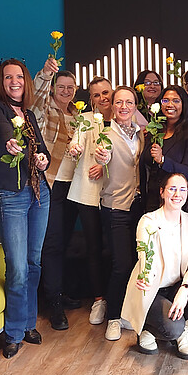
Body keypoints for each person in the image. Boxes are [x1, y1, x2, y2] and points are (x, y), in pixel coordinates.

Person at [0, 59, 50, 359]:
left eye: (19, 76)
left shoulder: (30, 115)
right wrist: (11, 141)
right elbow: (3, 130)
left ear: (26, 81)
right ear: (2, 82)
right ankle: (12, 333)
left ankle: (27, 324)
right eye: (8, 77)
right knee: (18, 266)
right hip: (10, 195)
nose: (14, 82)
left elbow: (42, 150)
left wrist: (43, 160)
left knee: (33, 263)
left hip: (38, 193)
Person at [121, 173, 188, 359]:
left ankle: (183, 330)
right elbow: (146, 257)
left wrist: (184, 289)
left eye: (182, 189)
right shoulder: (148, 221)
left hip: (177, 287)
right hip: (152, 289)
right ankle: (148, 330)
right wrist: (144, 275)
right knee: (172, 328)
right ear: (162, 192)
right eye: (172, 189)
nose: (177, 194)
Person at [31, 57, 81, 330]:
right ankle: (53, 302)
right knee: (51, 244)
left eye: (70, 87)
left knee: (64, 242)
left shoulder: (78, 116)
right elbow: (35, 100)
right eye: (61, 86)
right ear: (53, 88)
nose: (66, 91)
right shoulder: (45, 110)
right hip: (51, 184)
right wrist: (45, 74)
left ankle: (59, 291)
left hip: (73, 186)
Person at [98, 85, 145, 341]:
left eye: (129, 102)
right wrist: (101, 159)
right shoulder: (106, 135)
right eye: (119, 102)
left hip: (139, 207)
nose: (124, 107)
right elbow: (101, 156)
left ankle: (129, 312)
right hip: (116, 206)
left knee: (137, 264)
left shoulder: (141, 133)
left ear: (135, 107)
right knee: (121, 264)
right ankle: (113, 317)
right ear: (112, 107)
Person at [67, 80, 114, 331]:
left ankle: (117, 300)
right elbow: (77, 142)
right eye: (96, 95)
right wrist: (75, 148)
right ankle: (98, 300)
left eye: (105, 92)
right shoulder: (85, 119)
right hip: (87, 193)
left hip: (116, 194)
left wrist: (105, 167)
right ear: (91, 99)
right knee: (94, 248)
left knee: (118, 250)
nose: (102, 98)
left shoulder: (124, 115)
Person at [140, 85, 188, 216]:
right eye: (165, 100)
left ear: (184, 104)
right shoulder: (154, 130)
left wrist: (163, 160)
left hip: (180, 200)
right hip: (153, 197)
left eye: (176, 101)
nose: (170, 104)